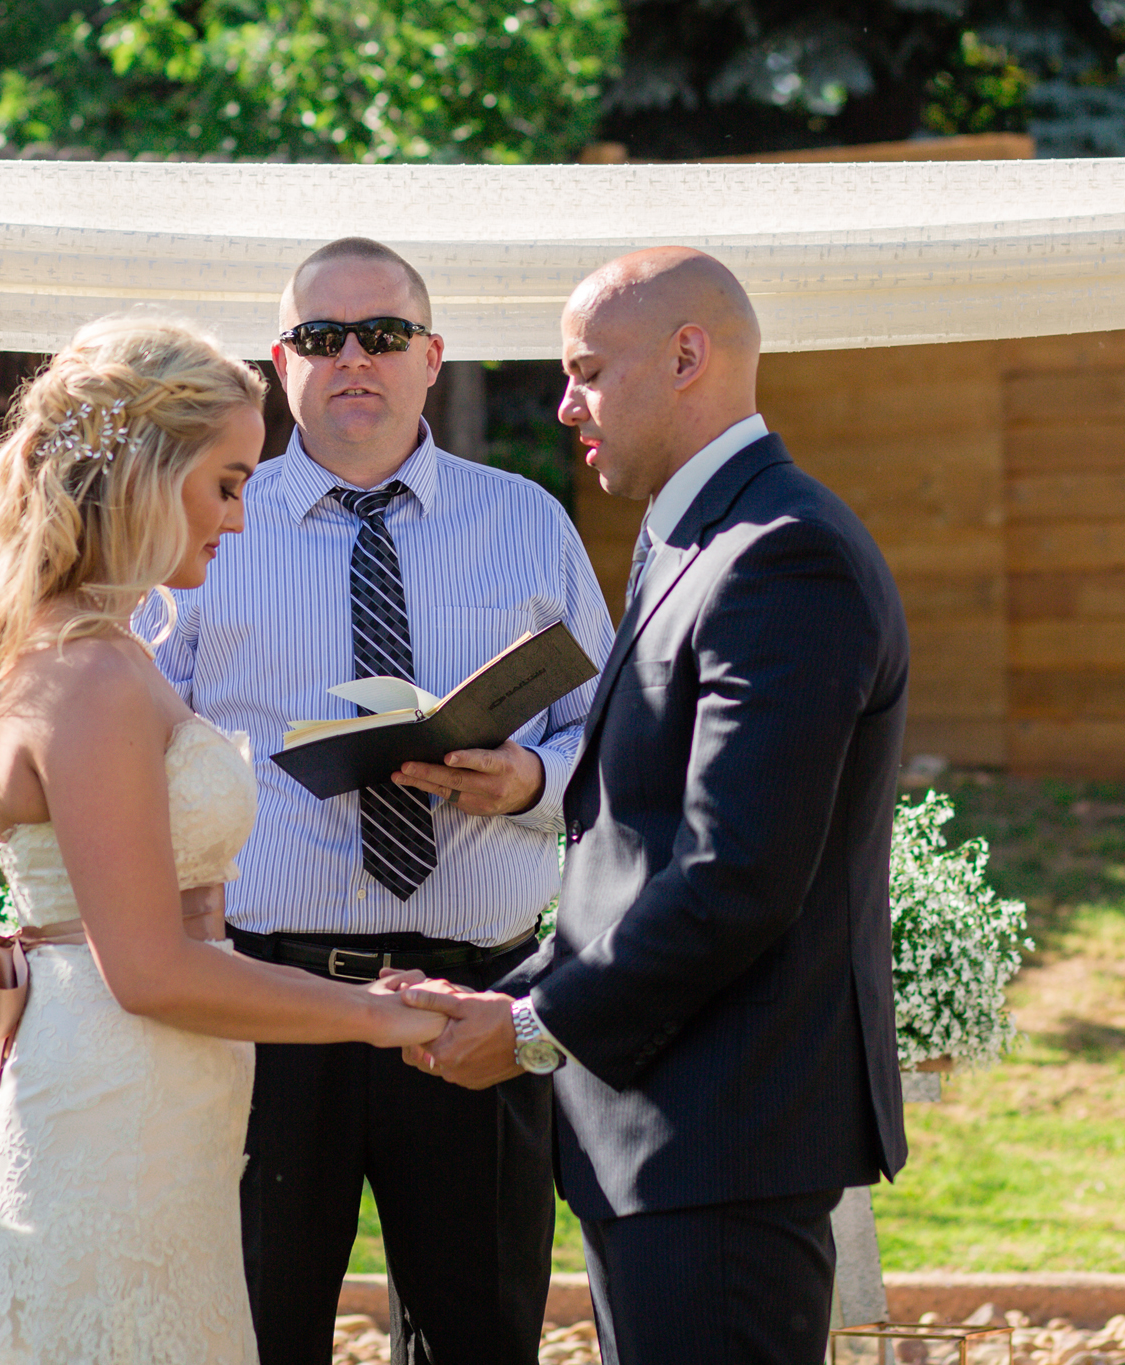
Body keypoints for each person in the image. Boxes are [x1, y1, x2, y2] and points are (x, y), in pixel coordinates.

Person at [398, 248, 912, 1365]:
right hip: (667, 1145)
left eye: (584, 370)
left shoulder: (782, 556)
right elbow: (630, 860)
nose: (562, 403)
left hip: (723, 1139)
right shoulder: (693, 539)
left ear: (687, 356)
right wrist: (489, 994)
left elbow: (737, 876)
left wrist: (533, 1032)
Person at [0, 316, 445, 1365]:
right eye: (227, 483)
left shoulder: (108, 648)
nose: (239, 520)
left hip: (157, 1095)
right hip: (117, 1098)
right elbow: (147, 970)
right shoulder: (91, 675)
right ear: (148, 476)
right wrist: (378, 1021)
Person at [147, 238, 615, 1365]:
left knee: (480, 1335)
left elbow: (610, 733)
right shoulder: (207, 528)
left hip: (475, 1005)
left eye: (381, 334)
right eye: (320, 337)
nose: (351, 356)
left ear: (431, 356)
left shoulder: (525, 521)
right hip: (267, 996)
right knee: (256, 1331)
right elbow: (133, 740)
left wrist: (529, 778)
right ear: (280, 362)